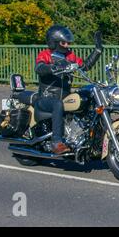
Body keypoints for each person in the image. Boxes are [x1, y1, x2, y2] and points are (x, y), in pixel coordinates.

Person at [35, 25, 103, 154]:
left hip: (65, 97)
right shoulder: (46, 54)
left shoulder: (70, 56)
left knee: (86, 99)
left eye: (68, 42)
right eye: (63, 42)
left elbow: (85, 66)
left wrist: (97, 50)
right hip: (46, 98)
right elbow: (39, 67)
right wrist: (52, 68)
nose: (66, 45)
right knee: (57, 104)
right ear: (54, 42)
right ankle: (56, 142)